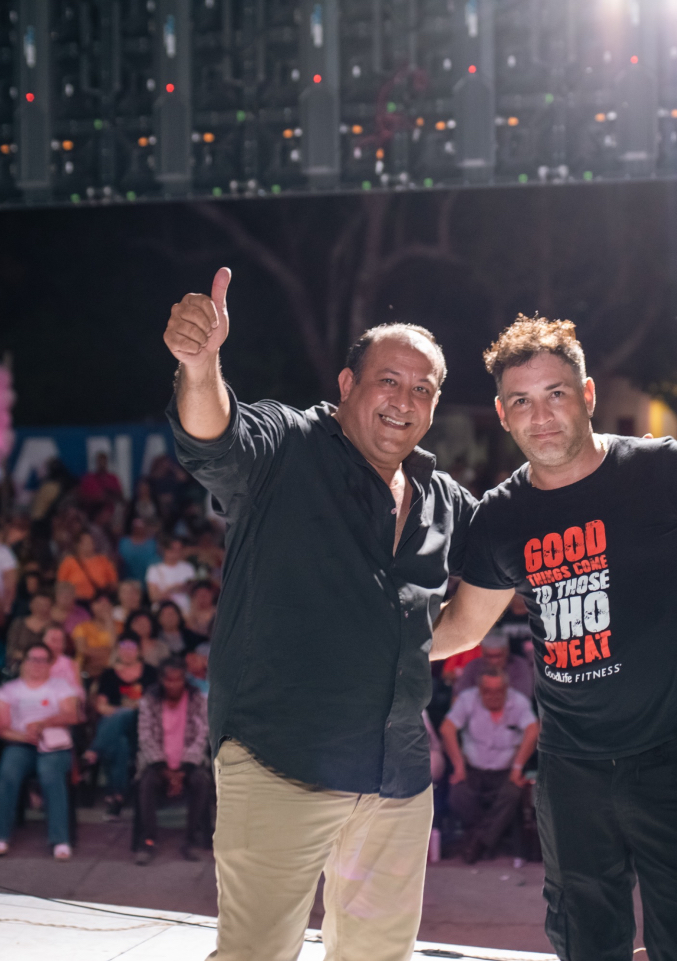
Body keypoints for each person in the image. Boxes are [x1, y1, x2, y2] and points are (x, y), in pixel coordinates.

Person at [432, 317, 677, 961]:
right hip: (570, 765)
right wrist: (373, 636)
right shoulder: (501, 516)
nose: (541, 416)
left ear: (587, 394)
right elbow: (462, 626)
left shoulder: (662, 469)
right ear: (502, 414)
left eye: (556, 393)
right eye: (521, 401)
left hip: (674, 752)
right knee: (584, 939)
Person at [164, 268, 475, 961]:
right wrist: (200, 367)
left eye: (423, 389)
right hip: (281, 760)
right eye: (388, 380)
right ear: (346, 384)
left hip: (396, 778)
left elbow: (499, 570)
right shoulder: (288, 447)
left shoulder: (442, 498)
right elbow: (216, 435)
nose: (404, 400)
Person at [0, 641, 81, 860]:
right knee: (8, 773)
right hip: (21, 742)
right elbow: (1, 727)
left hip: (53, 743)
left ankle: (60, 839)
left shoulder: (61, 686)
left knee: (51, 775)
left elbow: (72, 715)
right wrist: (24, 736)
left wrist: (43, 724)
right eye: (33, 659)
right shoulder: (9, 690)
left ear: (50, 664)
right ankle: (0, 835)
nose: (37, 664)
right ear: (24, 662)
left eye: (43, 660)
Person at [439, 664, 539, 863]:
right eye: (487, 691)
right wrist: (458, 766)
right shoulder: (467, 699)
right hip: (473, 769)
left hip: (505, 771)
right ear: (479, 690)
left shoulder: (518, 702)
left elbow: (533, 730)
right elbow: (446, 729)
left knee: (512, 794)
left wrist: (518, 767)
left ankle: (477, 843)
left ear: (506, 689)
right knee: (456, 795)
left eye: (498, 691)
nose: (493, 696)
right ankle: (488, 839)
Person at [134, 659, 213, 864]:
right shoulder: (149, 701)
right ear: (161, 680)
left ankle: (191, 839)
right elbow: (145, 737)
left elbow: (202, 736)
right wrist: (165, 770)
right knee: (146, 783)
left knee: (202, 782)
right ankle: (148, 840)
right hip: (157, 764)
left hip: (189, 763)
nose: (173, 684)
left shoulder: (197, 700)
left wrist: (183, 770)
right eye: (169, 680)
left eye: (178, 679)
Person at [84, 637, 158, 818]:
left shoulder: (150, 672)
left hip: (143, 726)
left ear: (139, 651)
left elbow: (154, 704)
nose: (127, 651)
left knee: (125, 714)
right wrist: (122, 709)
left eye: (131, 647)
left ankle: (94, 750)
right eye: (123, 647)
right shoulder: (109, 674)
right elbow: (101, 706)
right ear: (117, 651)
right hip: (115, 730)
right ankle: (117, 797)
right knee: (120, 745)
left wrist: (126, 709)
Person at [453, 632, 535, 700]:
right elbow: (458, 696)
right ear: (482, 653)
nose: (494, 661)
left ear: (507, 651)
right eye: (489, 656)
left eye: (498, 656)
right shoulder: (473, 666)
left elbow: (523, 697)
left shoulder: (520, 666)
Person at [57, 531, 119, 602]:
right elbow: (61, 585)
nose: (89, 545)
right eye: (85, 542)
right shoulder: (68, 562)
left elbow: (113, 583)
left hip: (98, 601)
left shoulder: (103, 560)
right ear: (78, 545)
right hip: (76, 602)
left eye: (91, 542)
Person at [72, 590, 121, 675]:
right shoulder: (82, 627)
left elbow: (115, 648)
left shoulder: (120, 626)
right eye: (100, 603)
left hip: (113, 670)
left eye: (106, 604)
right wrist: (107, 652)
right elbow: (82, 650)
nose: (103, 607)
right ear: (92, 606)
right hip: (86, 669)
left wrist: (109, 622)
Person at [145, 537, 196, 614]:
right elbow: (153, 597)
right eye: (173, 549)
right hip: (162, 610)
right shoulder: (154, 570)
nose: (176, 552)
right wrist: (171, 588)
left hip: (185, 609)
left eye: (179, 549)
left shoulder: (188, 568)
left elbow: (193, 591)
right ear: (165, 550)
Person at [118, 517, 162, 582]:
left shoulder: (153, 543)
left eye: (141, 527)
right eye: (136, 527)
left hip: (148, 580)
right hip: (128, 580)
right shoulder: (124, 542)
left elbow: (158, 561)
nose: (139, 529)